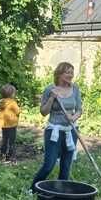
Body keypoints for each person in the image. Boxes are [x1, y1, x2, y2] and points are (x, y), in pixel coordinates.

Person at [31, 62, 83, 192]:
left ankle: (61, 192)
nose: (70, 75)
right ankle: (32, 189)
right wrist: (51, 98)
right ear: (59, 74)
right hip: (54, 131)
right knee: (49, 164)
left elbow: (79, 110)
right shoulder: (50, 89)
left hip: (71, 131)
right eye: (67, 72)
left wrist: (73, 117)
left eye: (72, 72)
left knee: (66, 165)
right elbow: (43, 112)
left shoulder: (75, 88)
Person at [0, 84, 20, 162]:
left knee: (5, 140)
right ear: (12, 94)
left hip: (4, 125)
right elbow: (18, 111)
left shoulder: (1, 102)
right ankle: (10, 156)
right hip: (12, 125)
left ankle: (3, 154)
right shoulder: (12, 103)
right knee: (12, 141)